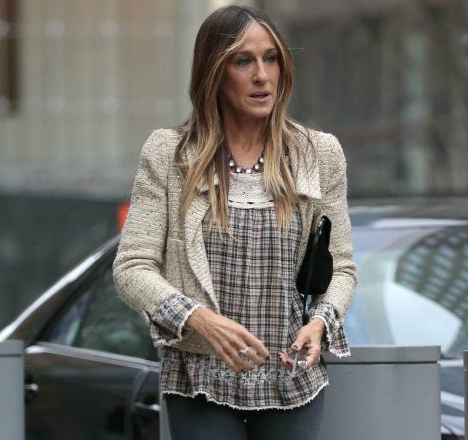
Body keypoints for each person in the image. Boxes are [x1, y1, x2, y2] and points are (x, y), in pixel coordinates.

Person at [113, 5, 357, 440]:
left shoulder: (317, 154)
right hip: (201, 378)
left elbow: (341, 268)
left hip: (291, 378)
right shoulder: (170, 154)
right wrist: (199, 319)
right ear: (213, 72)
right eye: (243, 61)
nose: (262, 75)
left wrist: (319, 323)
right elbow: (132, 268)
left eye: (271, 58)